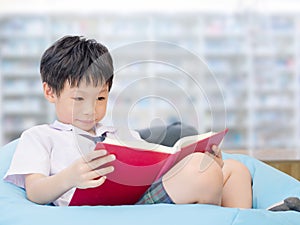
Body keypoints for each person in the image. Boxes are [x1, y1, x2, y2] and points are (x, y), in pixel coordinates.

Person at [3, 35, 252, 208]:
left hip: (141, 193)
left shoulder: (117, 132)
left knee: (234, 170)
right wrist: (69, 177)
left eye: (100, 98)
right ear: (50, 92)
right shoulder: (40, 137)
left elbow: (150, 165)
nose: (90, 110)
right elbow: (35, 191)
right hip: (106, 204)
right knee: (203, 172)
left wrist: (199, 159)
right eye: (79, 99)